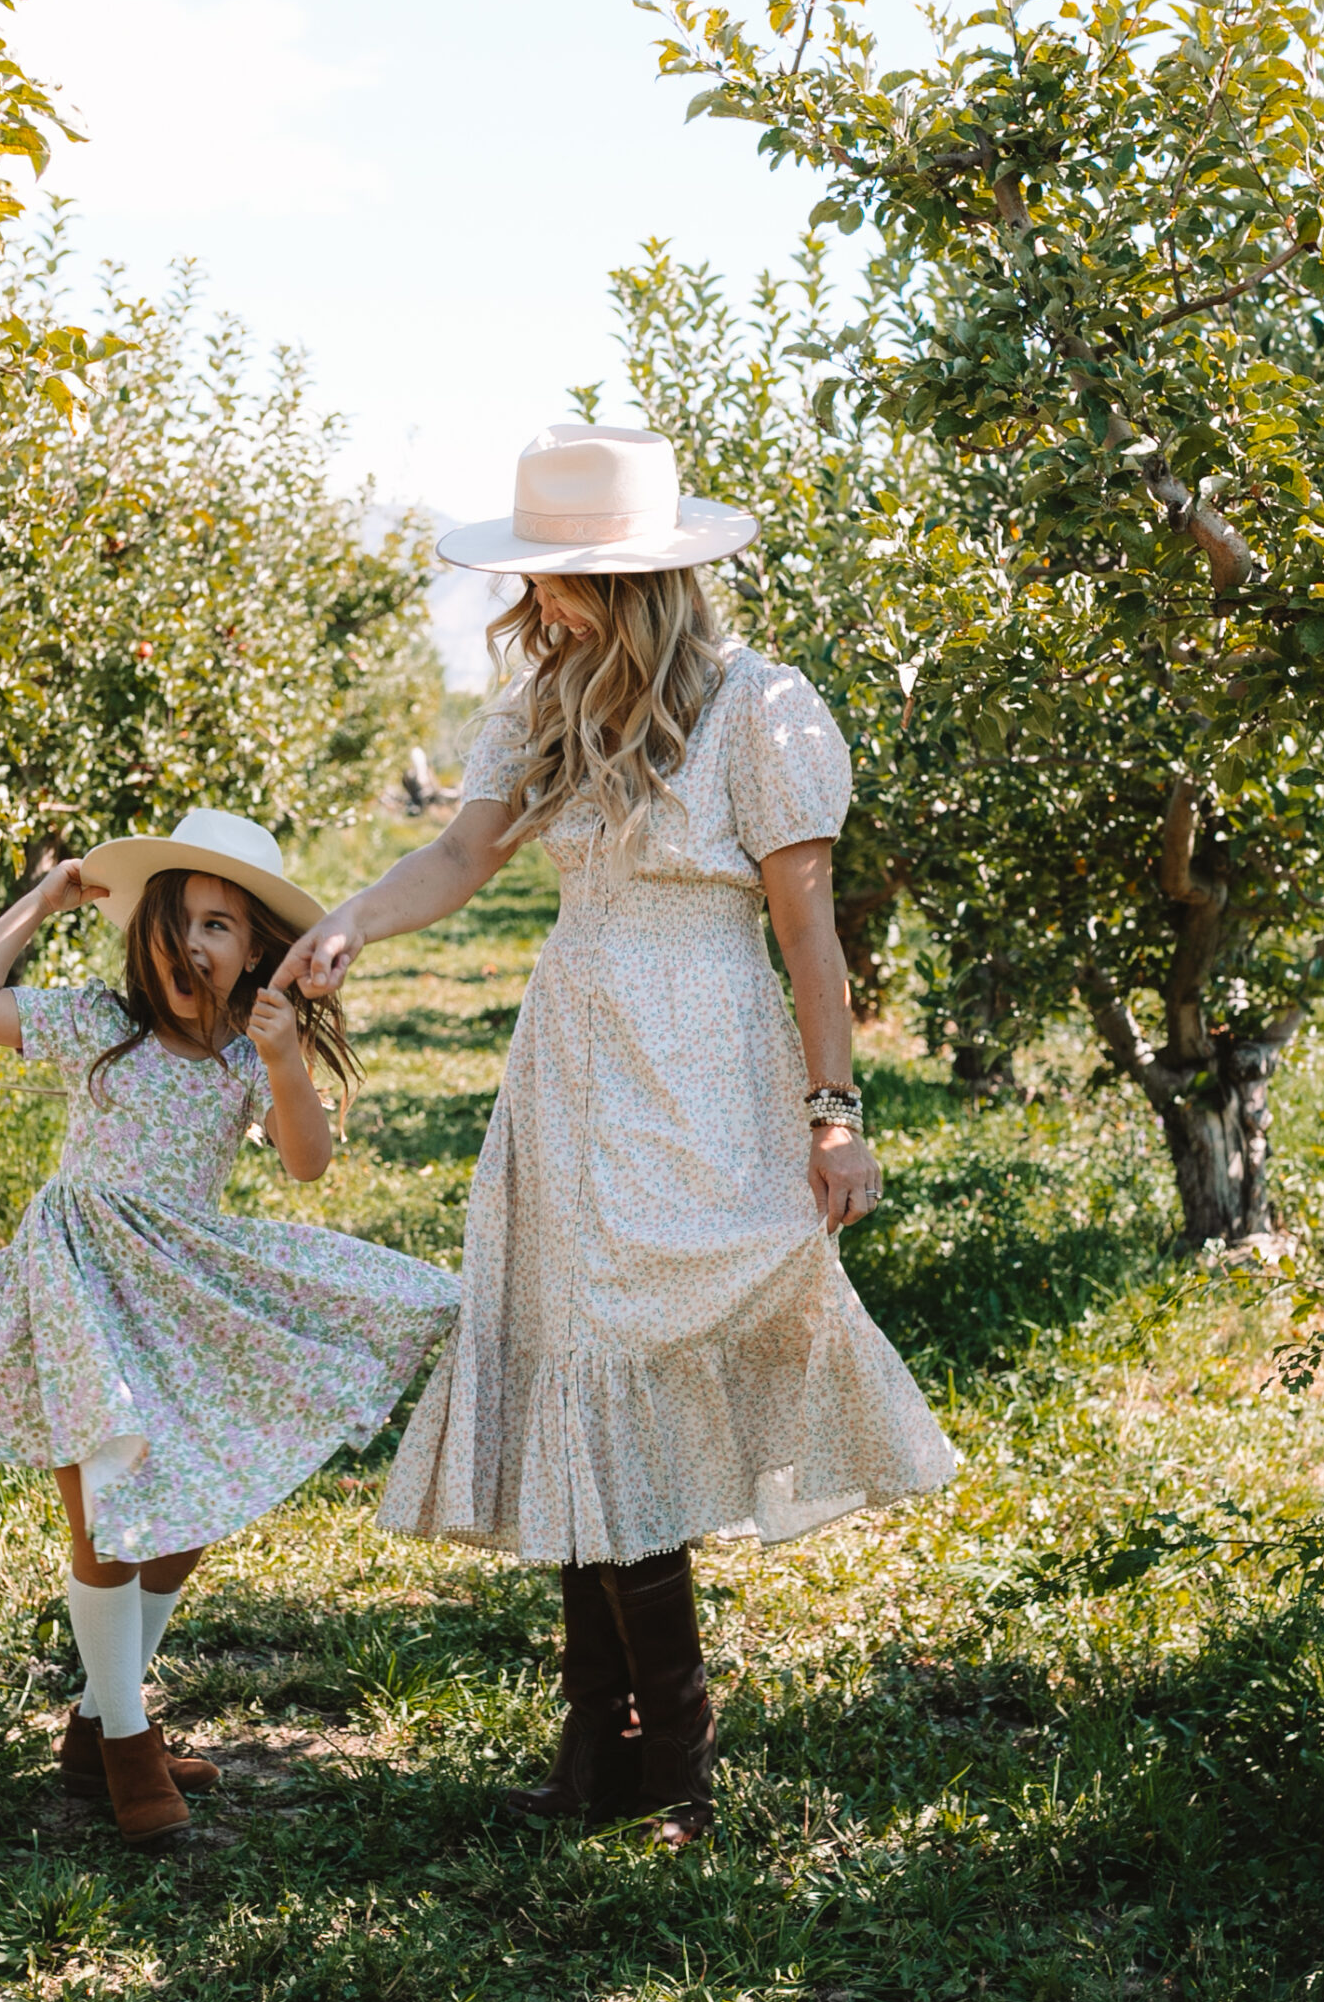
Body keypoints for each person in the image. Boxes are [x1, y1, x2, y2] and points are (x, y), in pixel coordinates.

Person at [275, 425, 958, 1848]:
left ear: (647, 580)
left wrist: (836, 1115)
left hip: (706, 1054)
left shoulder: (761, 710)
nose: (548, 604)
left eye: (574, 583)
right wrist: (349, 918)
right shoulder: (542, 706)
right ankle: (607, 1743)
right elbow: (463, 856)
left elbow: (806, 928)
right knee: (577, 1364)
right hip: (574, 1051)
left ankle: (677, 1759)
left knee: (644, 1355)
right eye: (541, 580)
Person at [0, 810, 460, 1851]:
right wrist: (47, 895)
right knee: (108, 1508)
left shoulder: (246, 1056)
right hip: (80, 1279)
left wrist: (288, 1059)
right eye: (173, 920)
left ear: (256, 948)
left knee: (184, 1511)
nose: (190, 943)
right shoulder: (97, 1025)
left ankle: (89, 1724)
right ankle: (124, 1742)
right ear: (143, 934)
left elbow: (306, 1163)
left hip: (182, 1292)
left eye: (217, 924)